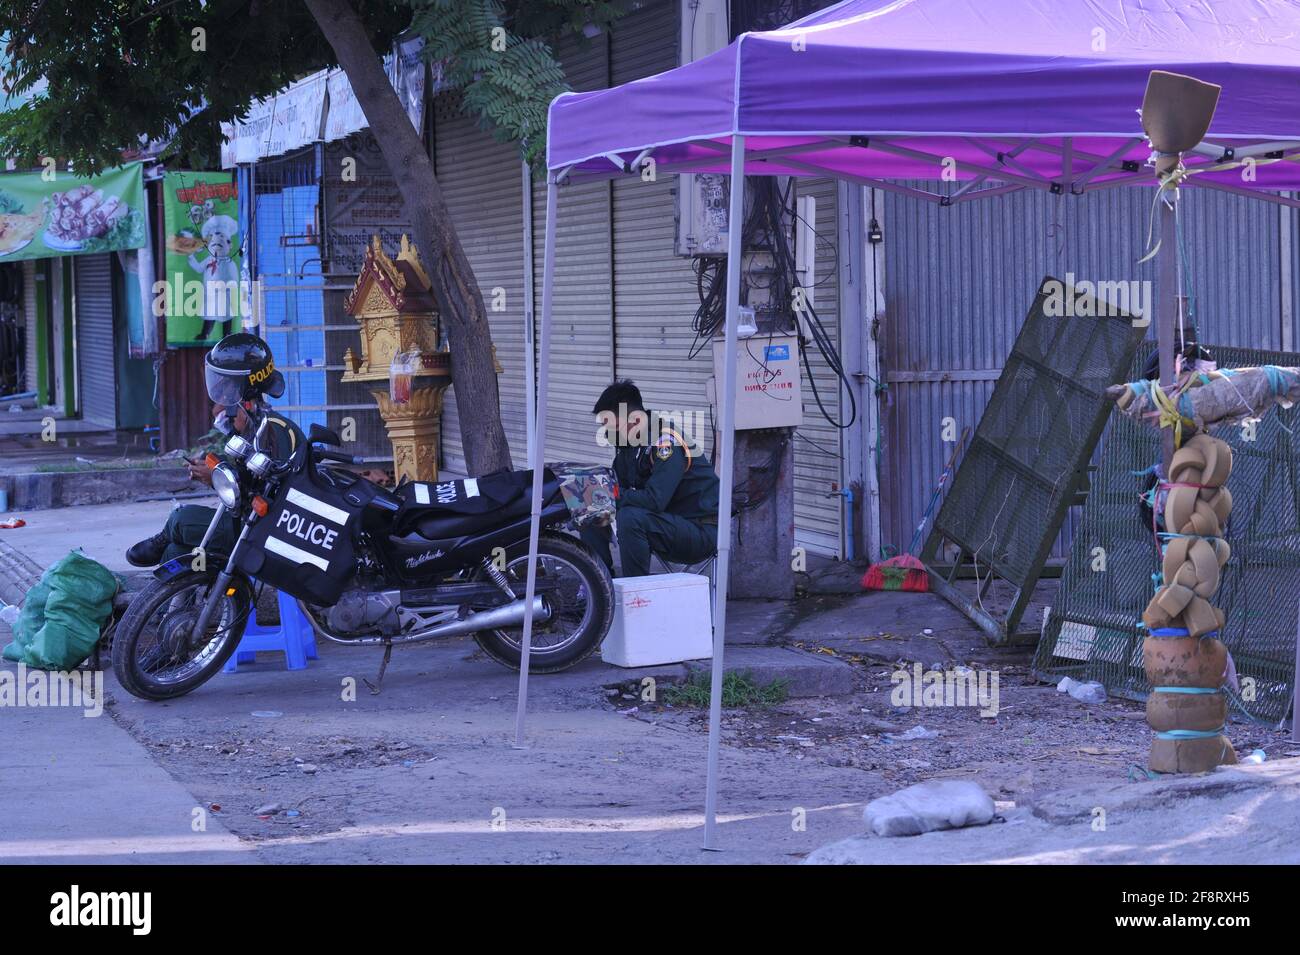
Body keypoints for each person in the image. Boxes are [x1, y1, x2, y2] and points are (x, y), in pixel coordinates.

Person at [125, 333, 302, 567]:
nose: (220, 395)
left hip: (264, 532)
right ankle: (184, 603)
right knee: (174, 553)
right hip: (247, 522)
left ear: (244, 390)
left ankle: (163, 536)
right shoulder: (251, 426)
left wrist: (215, 476)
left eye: (225, 386)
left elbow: (270, 497)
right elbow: (249, 480)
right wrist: (216, 471)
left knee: (181, 520)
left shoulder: (274, 431)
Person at [580, 380, 720, 578]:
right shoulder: (628, 446)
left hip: (699, 530)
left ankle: (635, 595)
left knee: (629, 517)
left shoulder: (665, 442)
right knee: (591, 509)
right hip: (666, 525)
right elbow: (617, 488)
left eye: (613, 426)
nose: (607, 433)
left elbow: (654, 500)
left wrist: (613, 494)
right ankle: (598, 583)